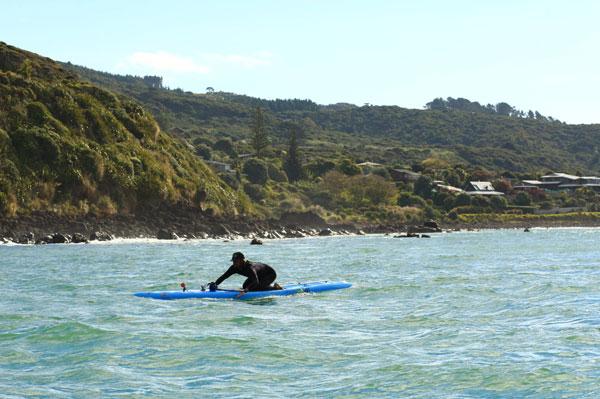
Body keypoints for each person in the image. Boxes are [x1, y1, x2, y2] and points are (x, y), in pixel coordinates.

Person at [210, 252, 282, 295]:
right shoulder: (234, 267)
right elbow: (224, 276)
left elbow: (255, 281)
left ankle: (274, 287)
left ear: (242, 260)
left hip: (269, 274)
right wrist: (215, 284)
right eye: (233, 261)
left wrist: (246, 290)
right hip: (259, 275)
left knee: (253, 288)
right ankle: (265, 285)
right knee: (245, 286)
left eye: (236, 261)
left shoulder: (250, 268)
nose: (234, 263)